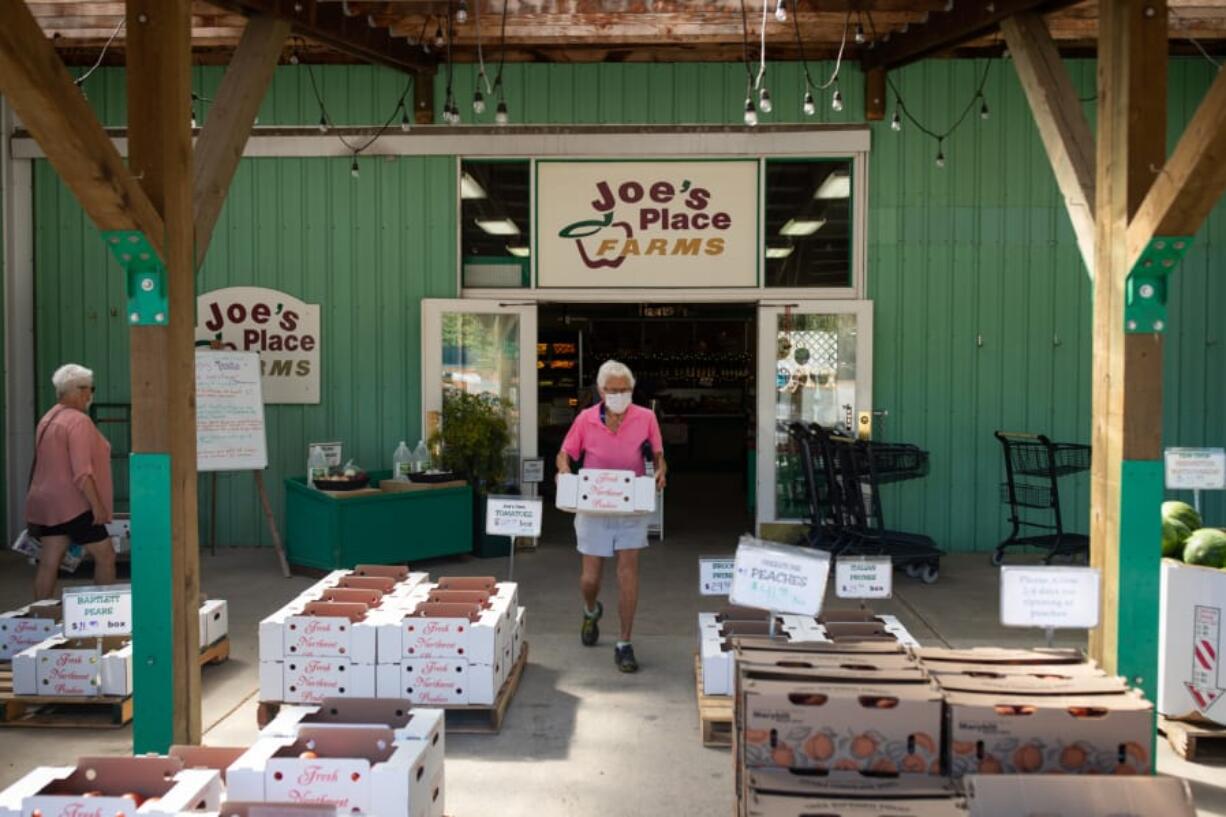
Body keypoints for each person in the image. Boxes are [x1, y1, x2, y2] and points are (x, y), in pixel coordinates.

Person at [557, 360, 667, 673]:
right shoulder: (586, 419)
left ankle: (624, 642)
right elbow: (565, 453)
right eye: (613, 390)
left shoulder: (645, 418)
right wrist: (564, 469)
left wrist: (660, 470)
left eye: (625, 390)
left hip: (630, 504)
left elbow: (659, 455)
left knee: (627, 572)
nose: (619, 395)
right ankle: (591, 610)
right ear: (602, 391)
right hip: (594, 504)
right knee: (590, 578)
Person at [26, 363, 116, 600]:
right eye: (90, 389)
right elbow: (82, 471)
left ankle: (41, 617)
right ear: (79, 390)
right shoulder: (78, 421)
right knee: (105, 556)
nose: (90, 395)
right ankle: (102, 614)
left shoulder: (48, 418)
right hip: (75, 503)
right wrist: (97, 505)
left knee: (49, 560)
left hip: (47, 503)